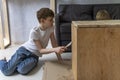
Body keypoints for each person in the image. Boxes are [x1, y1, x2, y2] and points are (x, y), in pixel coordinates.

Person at [0, 8, 66, 76]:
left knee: (22, 70)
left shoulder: (51, 28)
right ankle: (2, 61)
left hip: (34, 56)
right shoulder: (34, 32)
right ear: (42, 21)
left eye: (53, 19)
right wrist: (55, 50)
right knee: (6, 71)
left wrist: (60, 59)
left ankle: (15, 64)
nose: (53, 22)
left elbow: (54, 44)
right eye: (50, 20)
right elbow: (41, 50)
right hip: (24, 50)